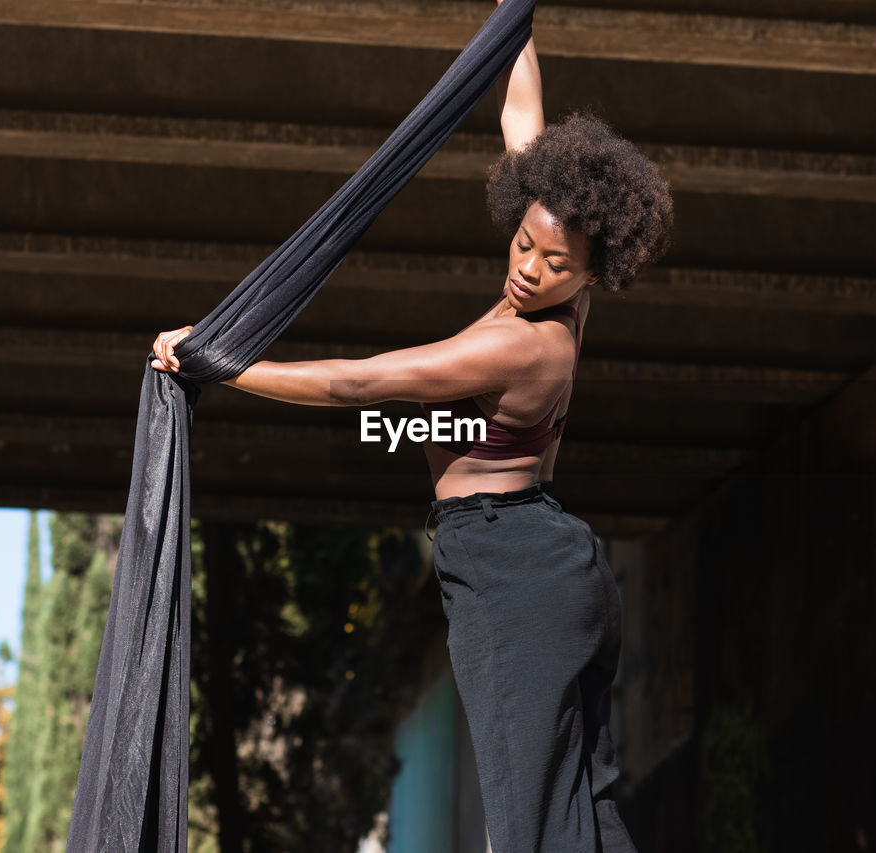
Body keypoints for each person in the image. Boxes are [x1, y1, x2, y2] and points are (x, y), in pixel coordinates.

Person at [150, 7, 672, 849]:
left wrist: (220, 362)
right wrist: (516, 24)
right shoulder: (564, 288)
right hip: (546, 554)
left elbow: (363, 383)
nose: (530, 267)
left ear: (593, 270)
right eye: (526, 243)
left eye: (555, 263)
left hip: (510, 567)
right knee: (584, 810)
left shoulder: (518, 344)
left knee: (529, 824)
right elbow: (521, 117)